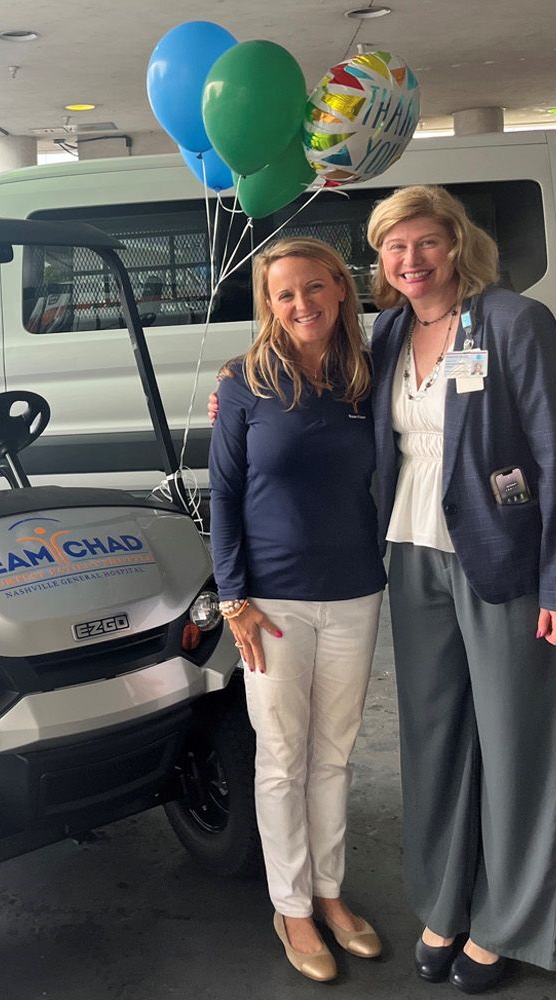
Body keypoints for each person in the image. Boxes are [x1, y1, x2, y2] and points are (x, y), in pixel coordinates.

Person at [367, 185, 556, 994]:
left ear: (457, 245)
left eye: (426, 243)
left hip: (504, 558)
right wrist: (237, 386)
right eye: (395, 247)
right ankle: (446, 902)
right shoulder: (391, 330)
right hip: (412, 551)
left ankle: (507, 921)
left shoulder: (510, 321)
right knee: (433, 739)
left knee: (517, 742)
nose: (411, 260)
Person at [208, 237, 387, 984]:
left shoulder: (366, 376)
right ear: (269, 306)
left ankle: (331, 893)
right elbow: (221, 493)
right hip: (272, 602)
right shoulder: (244, 382)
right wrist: (232, 597)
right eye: (285, 294)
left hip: (354, 592)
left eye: (315, 288)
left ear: (341, 292)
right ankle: (292, 908)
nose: (302, 304)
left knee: (335, 754)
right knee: (282, 758)